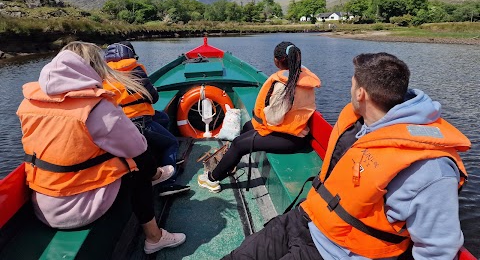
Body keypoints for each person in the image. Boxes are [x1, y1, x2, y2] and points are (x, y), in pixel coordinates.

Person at [221, 52, 471, 260]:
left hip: (337, 252)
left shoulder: (430, 168)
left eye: (351, 83)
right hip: (307, 218)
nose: (349, 88)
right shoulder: (359, 123)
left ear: (361, 93)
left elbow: (438, 249)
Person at [17, 41, 186, 255]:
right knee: (138, 166)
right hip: (78, 209)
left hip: (42, 205)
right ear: (95, 68)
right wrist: (153, 170)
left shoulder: (30, 102)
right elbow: (138, 148)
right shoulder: (96, 106)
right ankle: (155, 237)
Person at [198, 41, 321, 193]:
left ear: (277, 61)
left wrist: (264, 109)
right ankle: (230, 161)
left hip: (290, 139)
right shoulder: (301, 75)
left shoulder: (284, 86)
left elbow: (274, 119)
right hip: (294, 131)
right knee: (248, 126)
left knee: (238, 144)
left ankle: (211, 179)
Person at [103, 41, 189, 197]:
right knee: (171, 143)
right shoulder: (135, 70)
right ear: (131, 55)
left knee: (162, 117)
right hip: (140, 121)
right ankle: (167, 184)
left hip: (120, 122)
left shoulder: (103, 74)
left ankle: (163, 160)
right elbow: (153, 98)